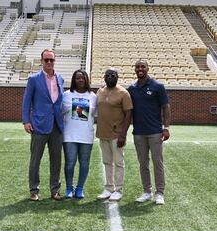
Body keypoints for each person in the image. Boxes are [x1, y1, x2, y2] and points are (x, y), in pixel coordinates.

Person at [22, 49, 65, 201]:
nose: (48, 62)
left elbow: (58, 101)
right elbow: (27, 101)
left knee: (56, 160)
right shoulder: (34, 79)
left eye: (51, 60)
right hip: (39, 125)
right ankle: (34, 190)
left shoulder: (60, 78)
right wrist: (26, 121)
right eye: (46, 60)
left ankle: (55, 190)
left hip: (57, 125)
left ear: (55, 61)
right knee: (35, 160)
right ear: (41, 61)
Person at [128, 60, 170, 205]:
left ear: (147, 68)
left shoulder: (158, 86)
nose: (140, 69)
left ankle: (160, 193)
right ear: (134, 69)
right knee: (143, 164)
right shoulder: (131, 88)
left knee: (157, 162)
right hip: (138, 132)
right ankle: (147, 191)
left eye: (143, 67)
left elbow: (166, 107)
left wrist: (166, 127)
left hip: (155, 132)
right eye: (137, 67)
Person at [95, 68, 133, 201]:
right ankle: (108, 188)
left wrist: (123, 134)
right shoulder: (100, 91)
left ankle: (118, 189)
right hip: (102, 133)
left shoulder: (123, 93)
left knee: (118, 163)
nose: (110, 77)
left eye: (113, 75)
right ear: (104, 77)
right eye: (108, 75)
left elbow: (128, 114)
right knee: (106, 162)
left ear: (117, 77)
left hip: (117, 135)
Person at [61, 69, 97, 199]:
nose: (80, 80)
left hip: (86, 135)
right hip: (69, 135)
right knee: (70, 163)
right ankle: (69, 187)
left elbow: (96, 115)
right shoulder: (66, 95)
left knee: (84, 163)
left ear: (87, 80)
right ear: (73, 80)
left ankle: (80, 188)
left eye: (83, 78)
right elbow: (59, 112)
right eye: (77, 78)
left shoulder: (93, 96)